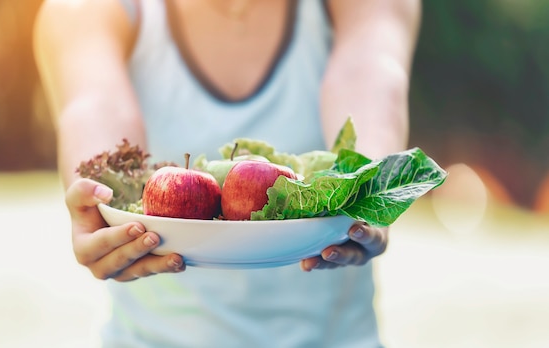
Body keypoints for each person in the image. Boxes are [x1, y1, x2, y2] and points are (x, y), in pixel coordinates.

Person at [33, 0, 421, 346]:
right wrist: (99, 198)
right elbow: (94, 105)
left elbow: (372, 75)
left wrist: (371, 188)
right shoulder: (85, 9)